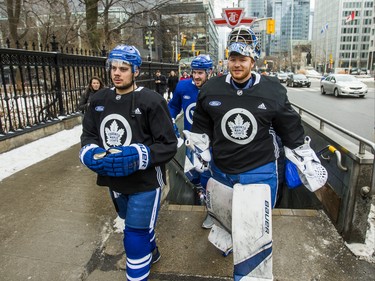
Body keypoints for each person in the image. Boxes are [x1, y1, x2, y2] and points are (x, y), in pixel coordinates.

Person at [186, 26, 327, 280]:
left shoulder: (271, 90)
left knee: (253, 240)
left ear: (253, 60)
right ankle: (231, 239)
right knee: (226, 223)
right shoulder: (211, 88)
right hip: (222, 172)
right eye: (233, 58)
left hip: (259, 171)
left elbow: (290, 127)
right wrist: (197, 152)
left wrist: (303, 156)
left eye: (242, 59)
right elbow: (201, 127)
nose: (237, 64)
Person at [79, 45, 177, 281]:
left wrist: (140, 155)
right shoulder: (99, 99)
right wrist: (90, 152)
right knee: (133, 224)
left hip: (145, 182)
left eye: (123, 68)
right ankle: (151, 251)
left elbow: (168, 144)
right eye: (113, 68)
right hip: (114, 180)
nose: (117, 73)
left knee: (134, 234)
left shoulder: (151, 101)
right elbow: (89, 134)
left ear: (135, 70)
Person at [168, 54, 214, 228]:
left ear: (209, 72)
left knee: (208, 178)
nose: (196, 76)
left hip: (211, 142)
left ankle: (212, 212)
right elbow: (173, 106)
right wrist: (169, 120)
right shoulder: (183, 86)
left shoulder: (216, 88)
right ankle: (203, 196)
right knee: (192, 174)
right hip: (191, 141)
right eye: (194, 72)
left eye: (200, 73)